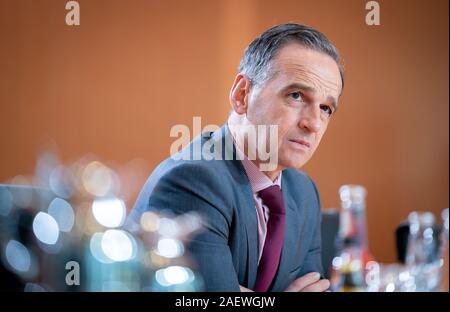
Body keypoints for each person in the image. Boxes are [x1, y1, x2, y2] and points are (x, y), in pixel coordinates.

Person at [129, 23, 344, 292]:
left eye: (325, 108)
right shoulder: (194, 181)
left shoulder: (304, 192)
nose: (313, 124)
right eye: (297, 96)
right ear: (242, 95)